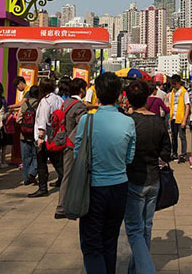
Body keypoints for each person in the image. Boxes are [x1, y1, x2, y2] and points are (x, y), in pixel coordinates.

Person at [74, 72, 136, 274]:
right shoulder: (128, 122)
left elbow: (78, 153)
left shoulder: (87, 121)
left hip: (93, 187)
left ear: (97, 94)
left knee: (92, 244)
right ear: (119, 94)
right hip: (119, 186)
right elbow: (129, 157)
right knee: (110, 241)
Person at [124, 80, 172, 274]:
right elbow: (167, 152)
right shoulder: (157, 122)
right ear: (148, 97)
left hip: (134, 180)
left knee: (135, 229)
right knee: (146, 226)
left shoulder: (128, 122)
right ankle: (135, 268)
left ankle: (144, 269)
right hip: (154, 179)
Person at [55, 77, 88, 219]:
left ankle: (66, 205)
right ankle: (62, 207)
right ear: (81, 90)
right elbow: (83, 124)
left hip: (64, 141)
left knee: (67, 175)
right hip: (72, 144)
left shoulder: (66, 102)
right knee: (70, 176)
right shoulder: (79, 106)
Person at [29, 78, 65, 198]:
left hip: (45, 138)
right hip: (56, 136)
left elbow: (42, 121)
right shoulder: (58, 99)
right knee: (58, 162)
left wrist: (40, 138)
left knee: (42, 164)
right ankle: (64, 181)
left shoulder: (45, 101)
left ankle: (43, 188)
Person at [18, 85, 40, 186]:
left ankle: (26, 178)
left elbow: (18, 119)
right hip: (35, 135)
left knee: (25, 157)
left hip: (24, 134)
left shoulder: (25, 104)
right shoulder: (40, 104)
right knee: (36, 156)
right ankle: (32, 172)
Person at [168, 74, 191, 163]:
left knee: (182, 137)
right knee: (174, 137)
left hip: (181, 118)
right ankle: (174, 153)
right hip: (173, 117)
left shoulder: (184, 92)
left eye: (174, 84)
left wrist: (184, 120)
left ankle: (183, 154)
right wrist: (170, 117)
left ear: (178, 83)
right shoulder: (173, 92)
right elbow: (172, 104)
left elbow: (187, 106)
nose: (173, 86)